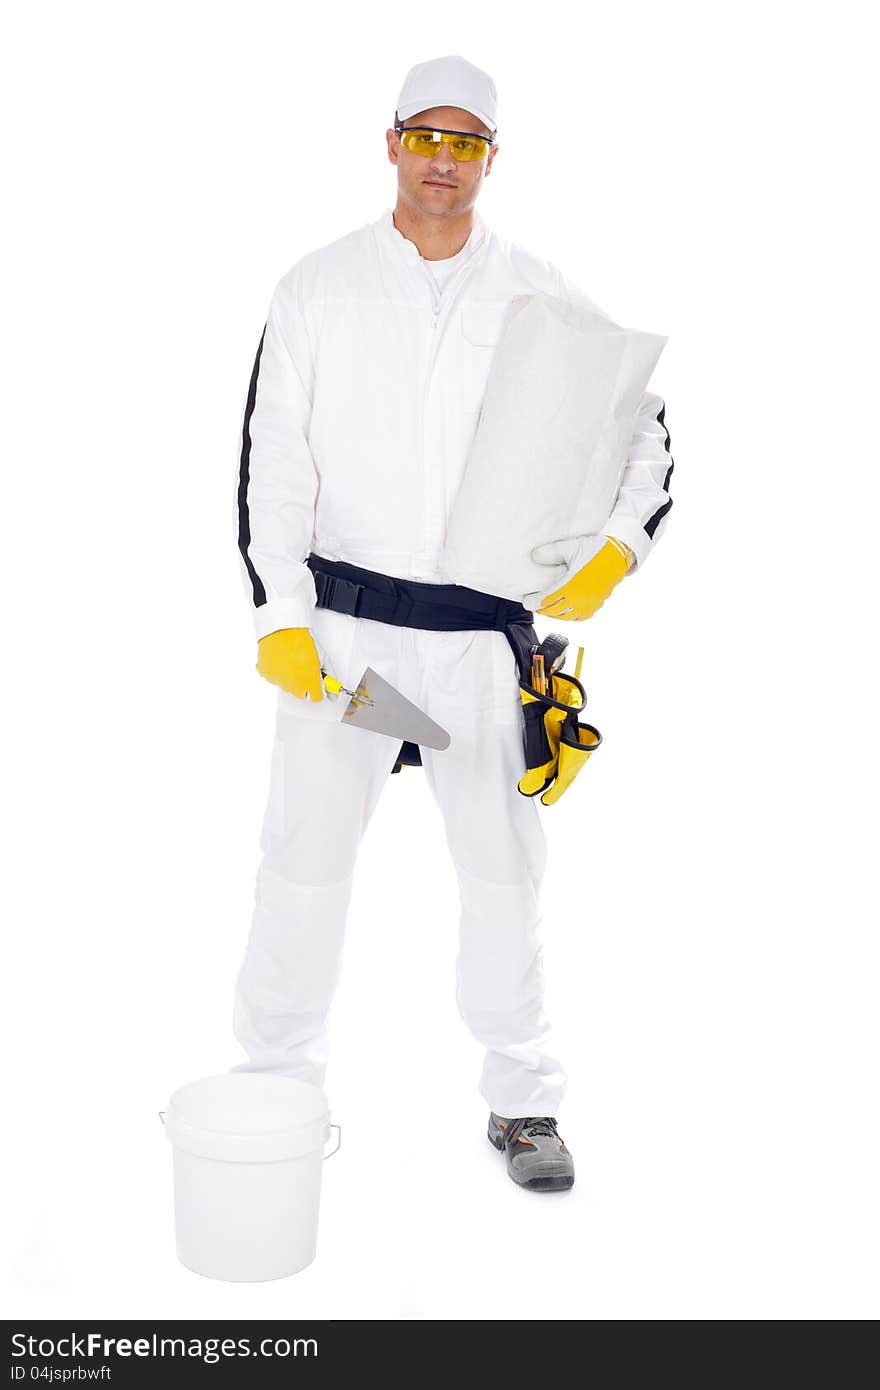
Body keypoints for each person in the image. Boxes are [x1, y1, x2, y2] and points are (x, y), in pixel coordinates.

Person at [232, 54, 674, 1192]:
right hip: (350, 644)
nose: (442, 158)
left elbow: (643, 418)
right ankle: (277, 1091)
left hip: (479, 649)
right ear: (388, 144)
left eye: (465, 141)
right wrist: (282, 612)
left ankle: (522, 1104)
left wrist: (618, 552)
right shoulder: (318, 288)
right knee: (304, 866)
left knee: (500, 876)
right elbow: (272, 460)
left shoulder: (537, 289)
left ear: (491, 158)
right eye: (423, 136)